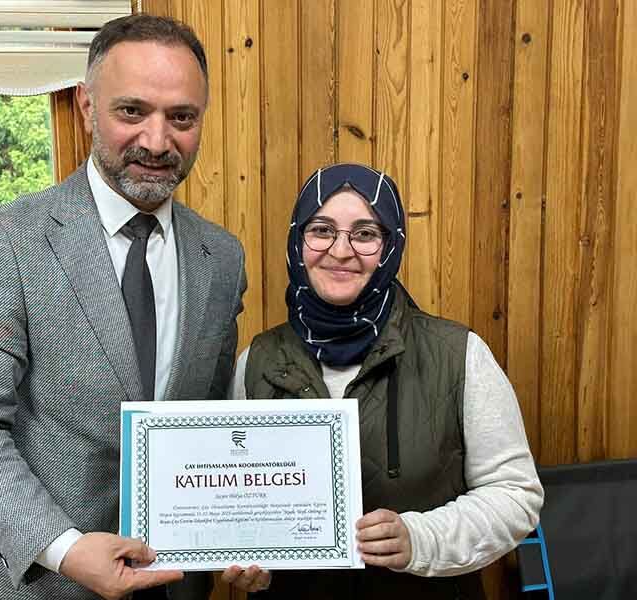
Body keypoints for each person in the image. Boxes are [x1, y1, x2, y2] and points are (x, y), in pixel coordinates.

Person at [0, 14, 252, 600]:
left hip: (164, 582)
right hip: (19, 582)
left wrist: (246, 533)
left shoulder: (221, 258)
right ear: (86, 106)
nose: (157, 141)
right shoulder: (4, 240)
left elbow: (205, 423)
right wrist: (64, 547)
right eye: (132, 111)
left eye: (181, 117)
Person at [230, 163, 544, 599]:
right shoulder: (256, 361)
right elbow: (243, 505)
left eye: (365, 233)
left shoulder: (458, 354)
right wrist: (257, 568)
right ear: (297, 241)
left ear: (391, 246)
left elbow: (515, 494)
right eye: (321, 230)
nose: (341, 250)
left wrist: (421, 539)